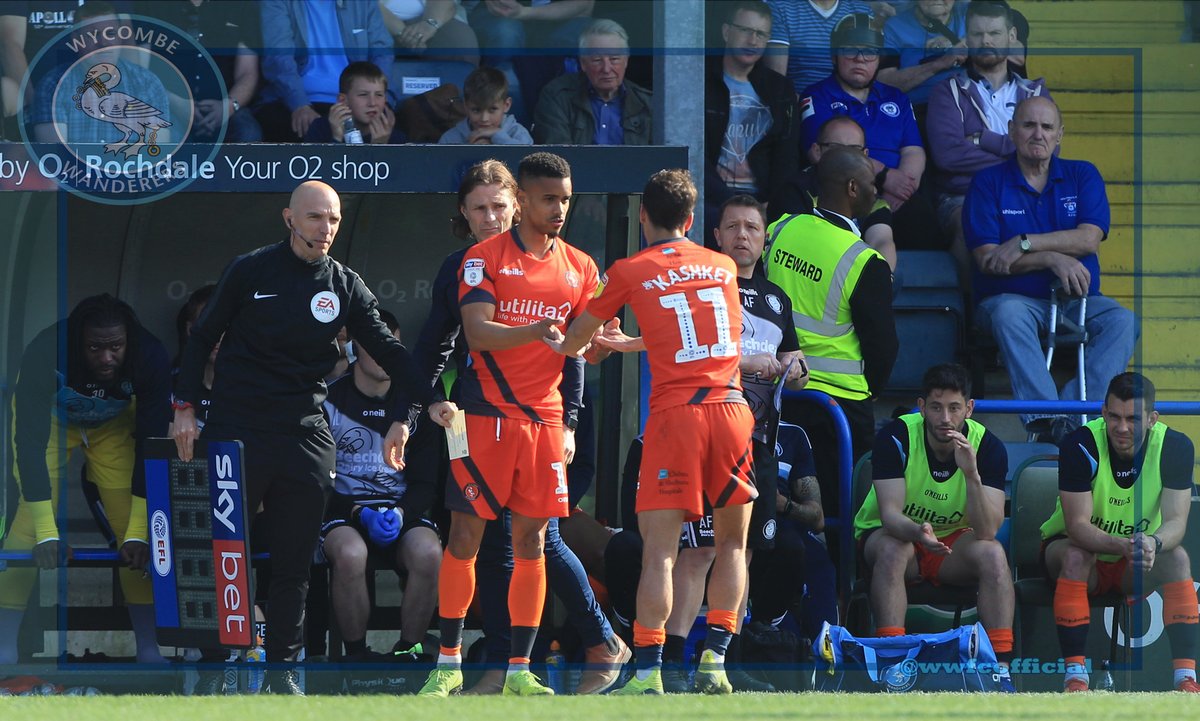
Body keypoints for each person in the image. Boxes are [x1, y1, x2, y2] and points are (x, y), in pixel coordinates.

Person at [172, 180, 433, 694]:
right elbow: (202, 337)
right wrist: (183, 408)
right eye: (315, 218)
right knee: (222, 551)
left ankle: (283, 670)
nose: (326, 229)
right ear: (289, 218)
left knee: (296, 562)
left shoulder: (343, 284)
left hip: (305, 436)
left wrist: (424, 400)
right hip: (238, 429)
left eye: (334, 219)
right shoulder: (251, 269)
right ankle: (215, 665)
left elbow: (389, 349)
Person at [412, 157, 629, 695]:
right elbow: (477, 334)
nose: (560, 209)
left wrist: (610, 343)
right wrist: (536, 328)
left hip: (545, 425)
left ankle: (517, 671)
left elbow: (581, 349)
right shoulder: (480, 259)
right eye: (549, 199)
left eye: (566, 199)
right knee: (465, 540)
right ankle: (447, 664)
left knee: (533, 543)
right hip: (481, 419)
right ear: (524, 202)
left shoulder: (581, 265)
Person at [551, 169, 758, 696]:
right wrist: (631, 344)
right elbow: (696, 333)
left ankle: (647, 673)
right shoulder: (723, 266)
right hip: (731, 409)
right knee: (732, 545)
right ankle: (715, 658)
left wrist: (586, 343)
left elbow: (576, 340)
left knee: (660, 552)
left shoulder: (629, 269)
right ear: (691, 220)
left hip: (677, 417)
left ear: (643, 215)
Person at [0, 294, 171, 665]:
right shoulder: (46, 352)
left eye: (115, 347)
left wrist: (140, 531)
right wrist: (48, 531)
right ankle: (4, 649)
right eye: (95, 348)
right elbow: (27, 445)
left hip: (113, 427)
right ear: (78, 342)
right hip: (51, 424)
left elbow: (152, 446)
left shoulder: (150, 356)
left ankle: (147, 649)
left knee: (135, 533)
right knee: (29, 527)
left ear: (129, 341)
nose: (107, 358)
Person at [964, 96, 1136, 443]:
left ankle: (1071, 416)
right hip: (1008, 301)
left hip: (1076, 302)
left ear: (1060, 134)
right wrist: (1053, 257)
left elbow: (1088, 239)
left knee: (1123, 320)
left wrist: (1027, 242)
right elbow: (989, 258)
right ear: (1012, 131)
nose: (1037, 134)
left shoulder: (1081, 174)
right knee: (1010, 313)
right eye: (1028, 125)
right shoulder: (987, 182)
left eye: (1047, 127)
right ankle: (1047, 418)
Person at [853, 362, 1014, 689]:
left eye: (955, 408)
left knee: (994, 554)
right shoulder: (896, 436)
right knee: (893, 548)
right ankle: (893, 665)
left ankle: (999, 667)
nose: (945, 418)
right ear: (922, 406)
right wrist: (918, 534)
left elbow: (986, 531)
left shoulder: (988, 447)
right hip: (898, 538)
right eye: (937, 407)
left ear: (969, 409)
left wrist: (971, 474)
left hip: (952, 547)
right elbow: (890, 515)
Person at [1041, 372, 1199, 693]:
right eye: (1114, 416)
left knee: (1178, 558)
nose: (1122, 427)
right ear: (1103, 412)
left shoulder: (1175, 446)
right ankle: (1075, 678)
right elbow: (1077, 526)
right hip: (1078, 553)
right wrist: (1123, 544)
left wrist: (1153, 542)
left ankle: (1186, 680)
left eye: (1132, 419)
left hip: (1136, 561)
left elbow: (1176, 523)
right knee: (1075, 554)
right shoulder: (1080, 444)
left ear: (1152, 418)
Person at [765, 147, 897, 518]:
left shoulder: (780, 229)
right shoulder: (864, 260)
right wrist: (871, 390)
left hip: (775, 395)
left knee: (778, 507)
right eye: (873, 184)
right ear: (853, 188)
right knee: (842, 516)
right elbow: (883, 346)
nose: (878, 192)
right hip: (839, 411)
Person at [320, 310, 441, 661]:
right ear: (355, 348)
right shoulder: (327, 400)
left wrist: (402, 513)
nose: (387, 355)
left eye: (394, 346)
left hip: (398, 511)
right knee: (350, 553)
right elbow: (315, 481)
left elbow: (426, 483)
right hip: (344, 510)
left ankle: (407, 654)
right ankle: (357, 658)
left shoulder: (417, 405)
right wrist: (357, 511)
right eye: (377, 345)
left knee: (429, 552)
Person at [926, 0, 1050, 287]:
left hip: (1028, 194)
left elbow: (1049, 153)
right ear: (967, 39)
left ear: (1010, 38)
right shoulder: (948, 92)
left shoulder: (1035, 93)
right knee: (969, 224)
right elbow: (948, 156)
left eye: (994, 34)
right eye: (978, 34)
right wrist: (1019, 155)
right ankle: (972, 323)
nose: (986, 41)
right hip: (964, 195)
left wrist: (984, 140)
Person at [799, 13, 940, 250]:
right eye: (850, 50)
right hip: (842, 193)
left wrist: (903, 188)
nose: (860, 59)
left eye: (870, 52)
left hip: (897, 196)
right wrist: (886, 177)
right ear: (834, 56)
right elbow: (822, 153)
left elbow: (913, 151)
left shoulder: (896, 97)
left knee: (928, 227)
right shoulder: (816, 96)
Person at [704, 1, 799, 247]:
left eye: (760, 34)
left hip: (763, 202)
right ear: (726, 32)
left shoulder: (780, 89)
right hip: (710, 201)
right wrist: (732, 205)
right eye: (745, 30)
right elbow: (693, 154)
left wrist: (769, 204)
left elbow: (786, 158)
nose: (753, 40)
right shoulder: (701, 81)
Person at [257, 0, 395, 142]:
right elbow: (278, 58)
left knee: (394, 134)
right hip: (296, 100)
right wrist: (300, 104)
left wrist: (383, 102)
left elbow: (382, 53)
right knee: (303, 132)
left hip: (357, 101)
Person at [775, 115, 897, 270]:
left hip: (851, 274)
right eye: (835, 147)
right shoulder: (794, 190)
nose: (845, 155)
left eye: (854, 149)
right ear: (817, 151)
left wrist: (884, 276)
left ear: (865, 155)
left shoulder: (871, 196)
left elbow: (881, 241)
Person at [135, 0, 263, 142]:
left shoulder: (241, 5)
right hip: (168, 103)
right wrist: (178, 104)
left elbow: (248, 73)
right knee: (158, 135)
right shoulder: (149, 4)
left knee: (249, 133)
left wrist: (227, 107)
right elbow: (140, 71)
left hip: (224, 105)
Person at [533, 18, 651, 145]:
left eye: (614, 59)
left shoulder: (647, 103)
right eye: (597, 60)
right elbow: (558, 154)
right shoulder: (557, 96)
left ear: (626, 61)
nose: (606, 69)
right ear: (583, 63)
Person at [762, 0, 874, 95]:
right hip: (800, 104)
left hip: (849, 104)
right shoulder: (780, 7)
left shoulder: (861, 11)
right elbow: (776, 81)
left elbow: (868, 69)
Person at [877, 0, 967, 107]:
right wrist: (939, 63)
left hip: (969, 101)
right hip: (921, 107)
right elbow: (884, 83)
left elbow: (990, 36)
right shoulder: (894, 27)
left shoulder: (967, 12)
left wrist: (962, 43)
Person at [304, 61, 405, 144]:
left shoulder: (396, 138)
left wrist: (380, 146)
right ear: (343, 100)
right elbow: (321, 168)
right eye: (363, 95)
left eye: (379, 95)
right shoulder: (321, 129)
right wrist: (336, 138)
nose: (372, 103)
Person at [438, 66, 532, 144]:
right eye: (476, 110)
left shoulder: (518, 134)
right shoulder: (450, 140)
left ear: (506, 105)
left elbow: (526, 159)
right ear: (465, 106)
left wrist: (498, 136)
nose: (484, 119)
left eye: (492, 109)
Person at [379, 0, 479, 66]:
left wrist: (430, 24)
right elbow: (367, 6)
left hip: (429, 16)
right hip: (377, 22)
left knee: (462, 46)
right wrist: (403, 33)